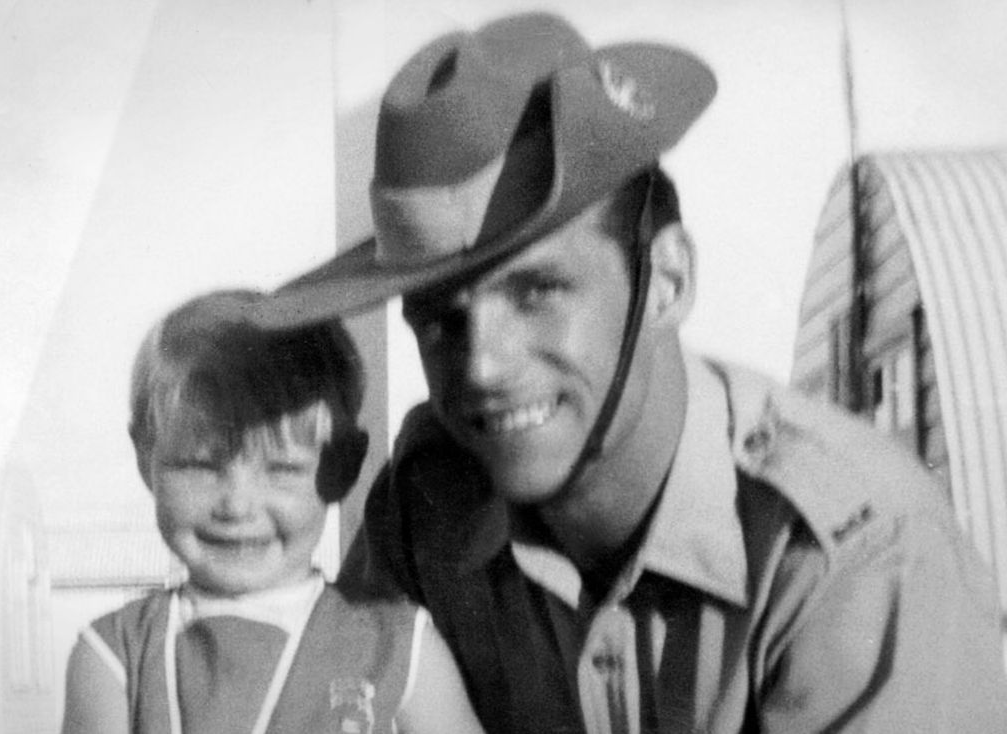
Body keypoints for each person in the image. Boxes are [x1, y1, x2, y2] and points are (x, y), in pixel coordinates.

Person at [245, 12, 1007, 734]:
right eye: (440, 318)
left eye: (537, 292)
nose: (481, 366)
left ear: (668, 280)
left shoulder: (853, 557)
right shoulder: (426, 513)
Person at [60, 289, 485, 734]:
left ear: (343, 467)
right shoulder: (114, 656)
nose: (237, 506)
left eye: (282, 469)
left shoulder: (400, 647)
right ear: (146, 458)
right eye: (200, 466)